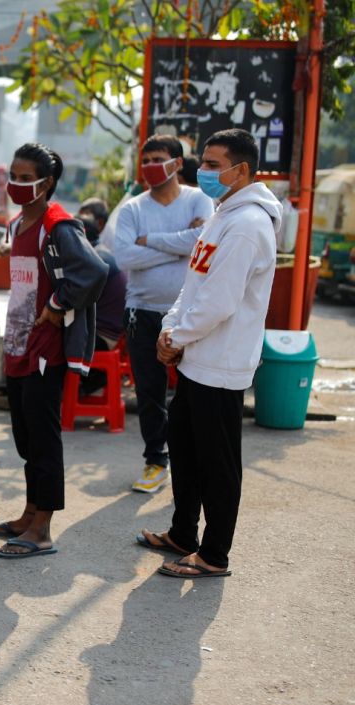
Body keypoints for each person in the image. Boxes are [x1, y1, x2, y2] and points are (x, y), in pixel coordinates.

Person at [142, 129, 281, 578]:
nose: (203, 172)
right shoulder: (224, 215)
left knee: (218, 464)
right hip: (196, 356)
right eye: (202, 162)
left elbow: (219, 302)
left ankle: (214, 554)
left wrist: (176, 338)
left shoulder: (247, 225)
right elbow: (194, 285)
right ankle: (184, 533)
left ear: (242, 170)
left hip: (221, 363)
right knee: (184, 450)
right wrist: (170, 331)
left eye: (214, 165)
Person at [0, 143, 108, 558]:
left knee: (43, 436)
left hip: (45, 349)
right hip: (17, 341)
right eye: (11, 175)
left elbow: (94, 271)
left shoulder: (60, 226)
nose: (15, 184)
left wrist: (56, 307)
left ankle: (43, 529)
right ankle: (29, 513)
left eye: (23, 176)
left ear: (46, 182)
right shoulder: (18, 224)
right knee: (25, 435)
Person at [112, 134, 214, 493]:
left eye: (158, 158)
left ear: (176, 163)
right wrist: (179, 244)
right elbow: (124, 258)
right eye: (146, 160)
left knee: (193, 391)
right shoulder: (133, 209)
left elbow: (203, 243)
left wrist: (151, 240)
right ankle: (156, 460)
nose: (151, 166)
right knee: (151, 393)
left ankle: (192, 462)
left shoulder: (199, 199)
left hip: (191, 314)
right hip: (143, 312)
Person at [75, 199, 127, 395]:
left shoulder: (96, 260)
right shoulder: (99, 252)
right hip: (107, 332)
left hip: (103, 338)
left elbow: (73, 300)